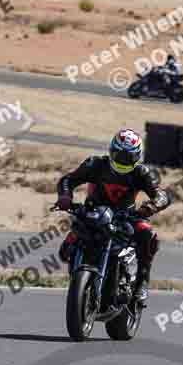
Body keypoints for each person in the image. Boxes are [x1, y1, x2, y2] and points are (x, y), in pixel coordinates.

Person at [55, 129, 172, 307]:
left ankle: (141, 283)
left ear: (137, 157)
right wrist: (65, 197)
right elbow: (67, 180)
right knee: (65, 251)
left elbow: (162, 196)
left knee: (148, 235)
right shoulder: (95, 164)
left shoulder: (142, 173)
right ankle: (79, 283)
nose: (123, 160)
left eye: (128, 157)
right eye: (119, 154)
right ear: (111, 150)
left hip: (127, 217)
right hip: (92, 213)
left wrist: (150, 206)